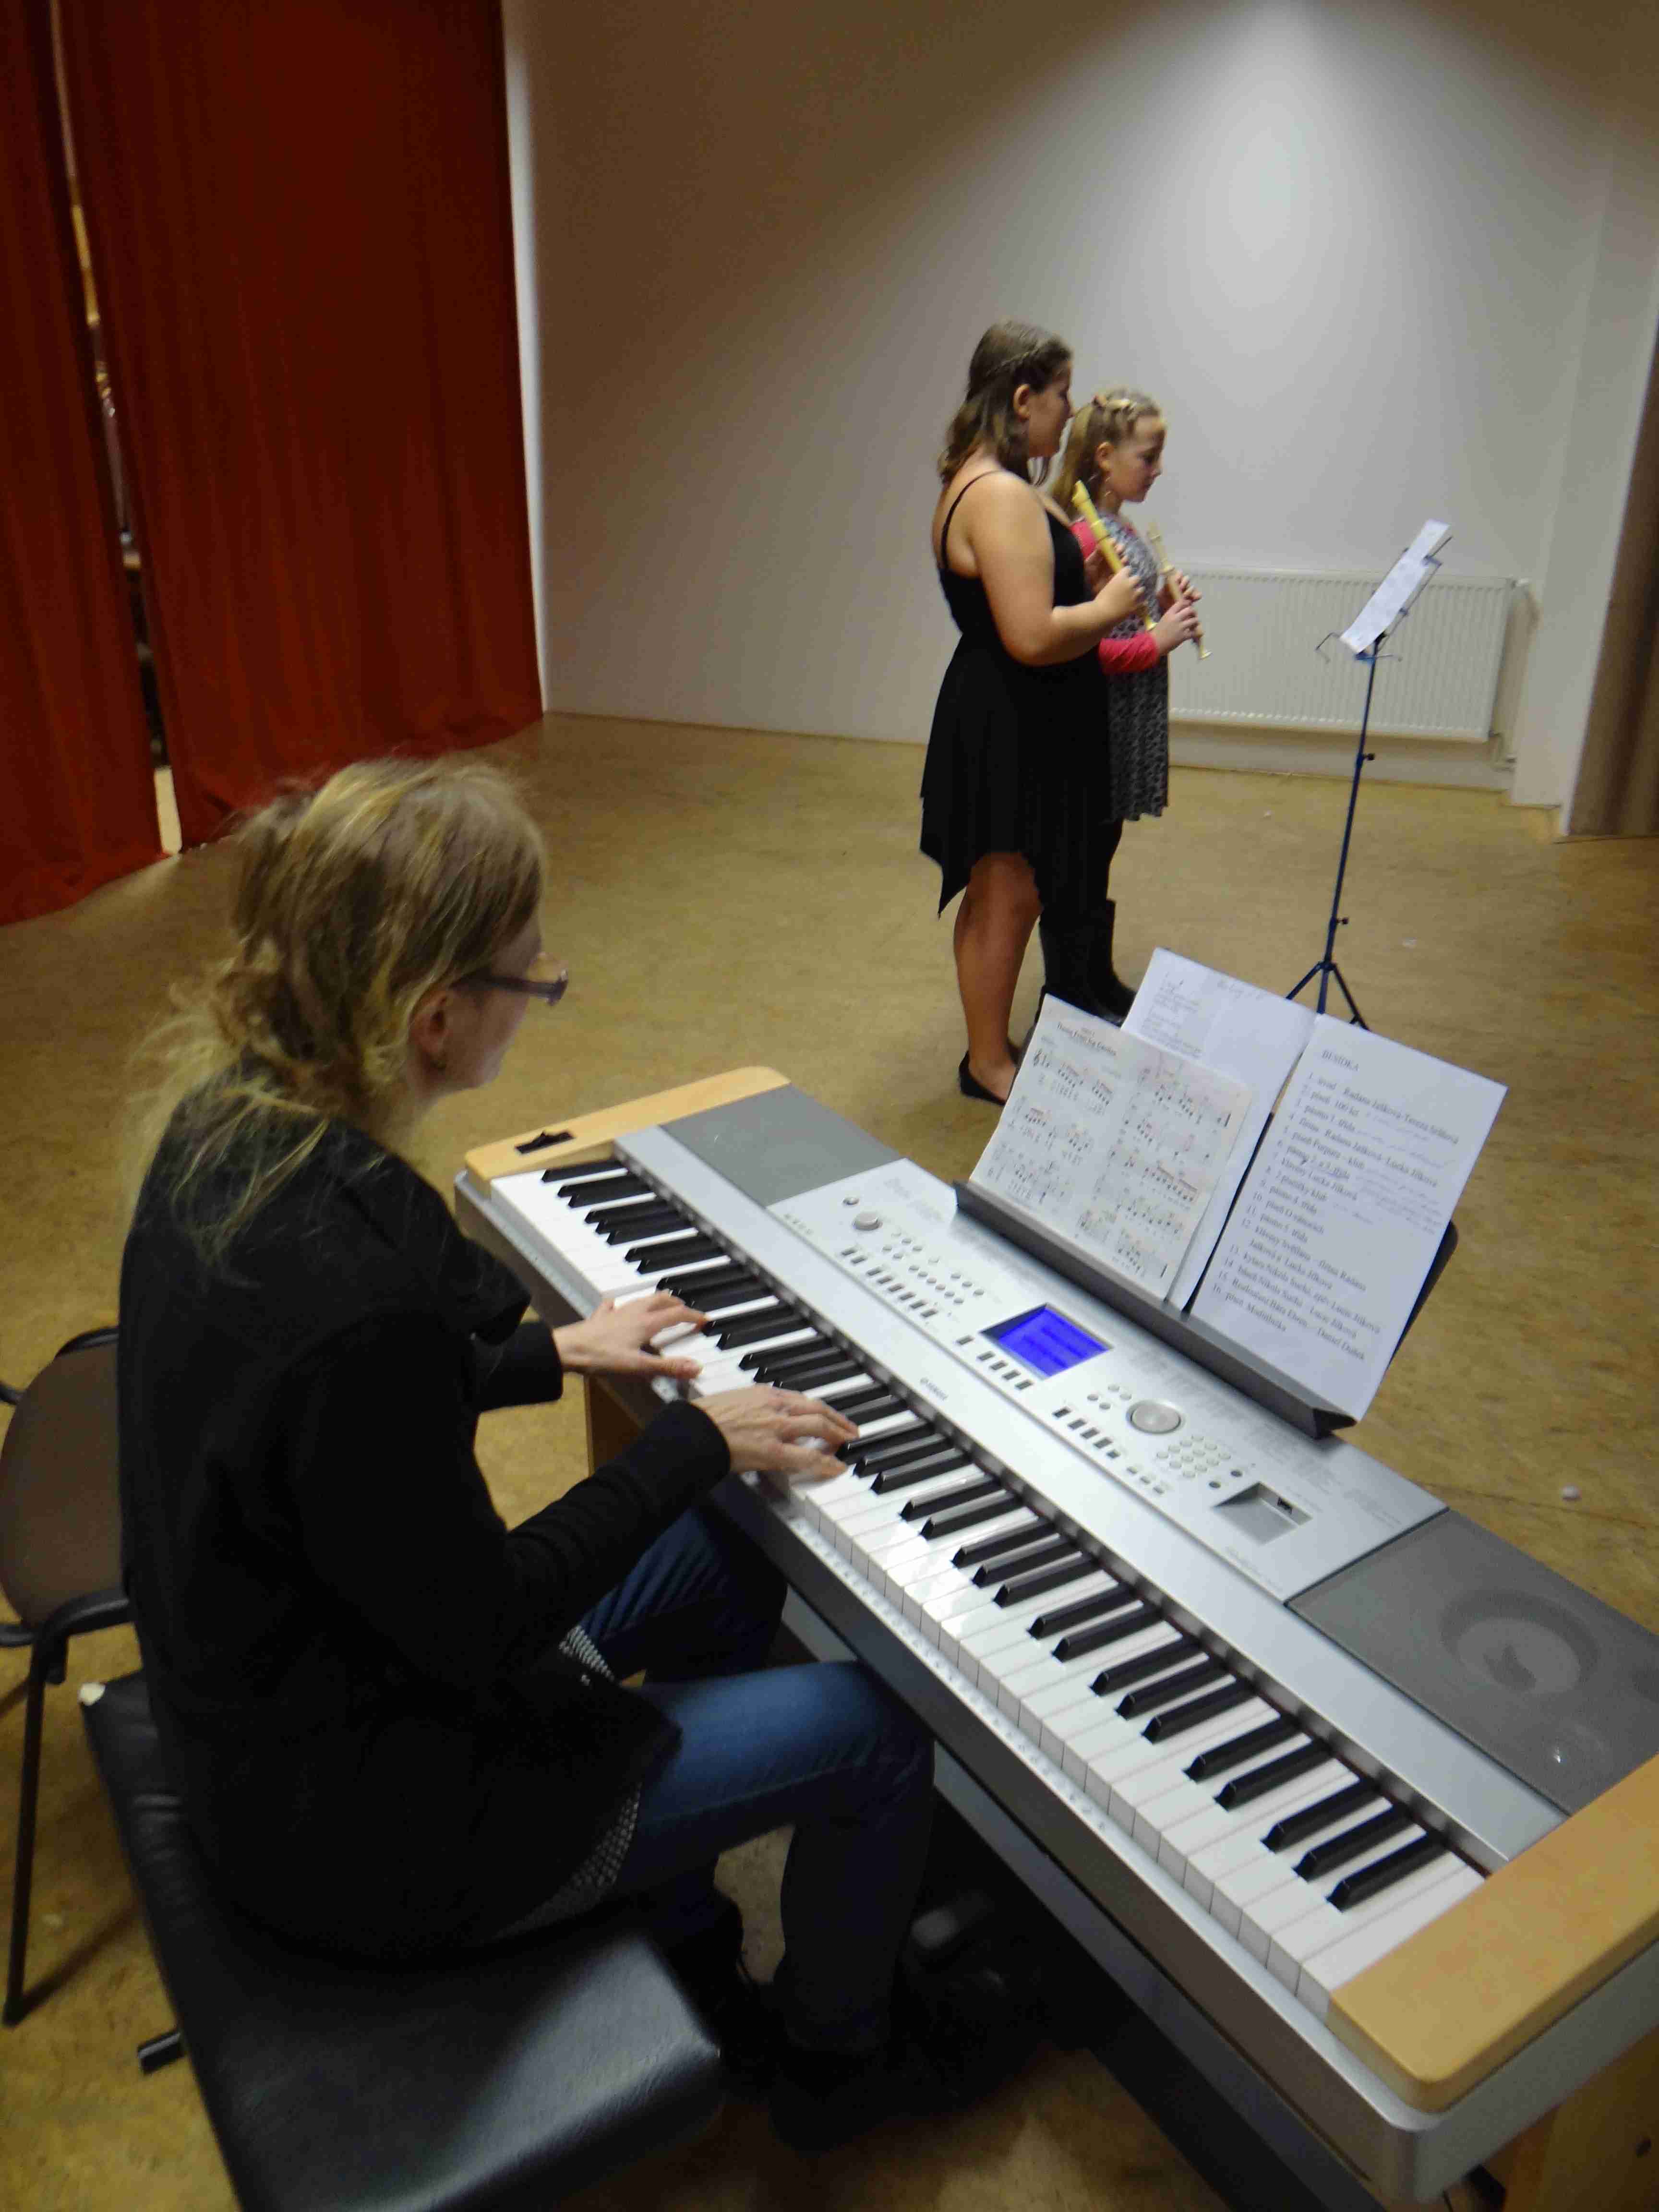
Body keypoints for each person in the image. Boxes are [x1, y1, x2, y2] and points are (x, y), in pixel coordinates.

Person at [117, 756, 943, 2151]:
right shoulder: (356, 1297)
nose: (544, 983)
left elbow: (317, 1426)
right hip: (370, 1839)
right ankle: (835, 2062)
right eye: (529, 972)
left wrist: (546, 1354)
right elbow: (483, 1628)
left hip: (292, 1714)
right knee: (877, 1731)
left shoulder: (225, 1131)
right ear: (438, 1017)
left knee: (726, 1561)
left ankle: (679, 1923)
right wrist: (692, 1441)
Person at [921, 321, 1145, 1102]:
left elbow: (1030, 597)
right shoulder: (998, 493)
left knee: (1006, 889)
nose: (1069, 410)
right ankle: (988, 1063)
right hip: (1009, 718)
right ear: (1022, 400)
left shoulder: (993, 484)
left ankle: (989, 1049)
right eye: (1060, 394)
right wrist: (1108, 606)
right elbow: (1030, 634)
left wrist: (1085, 582)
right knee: (1006, 893)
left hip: (1016, 713)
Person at [1050, 388, 1202, 1018]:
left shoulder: (1122, 526)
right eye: (1149, 456)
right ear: (1105, 457)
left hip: (1125, 714)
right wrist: (1157, 642)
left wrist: (1165, 609)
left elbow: (1127, 620)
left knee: (1102, 849)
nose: (1158, 469)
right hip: (1099, 718)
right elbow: (1085, 648)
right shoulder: (1085, 535)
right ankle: (1068, 991)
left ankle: (1095, 976)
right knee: (1082, 856)